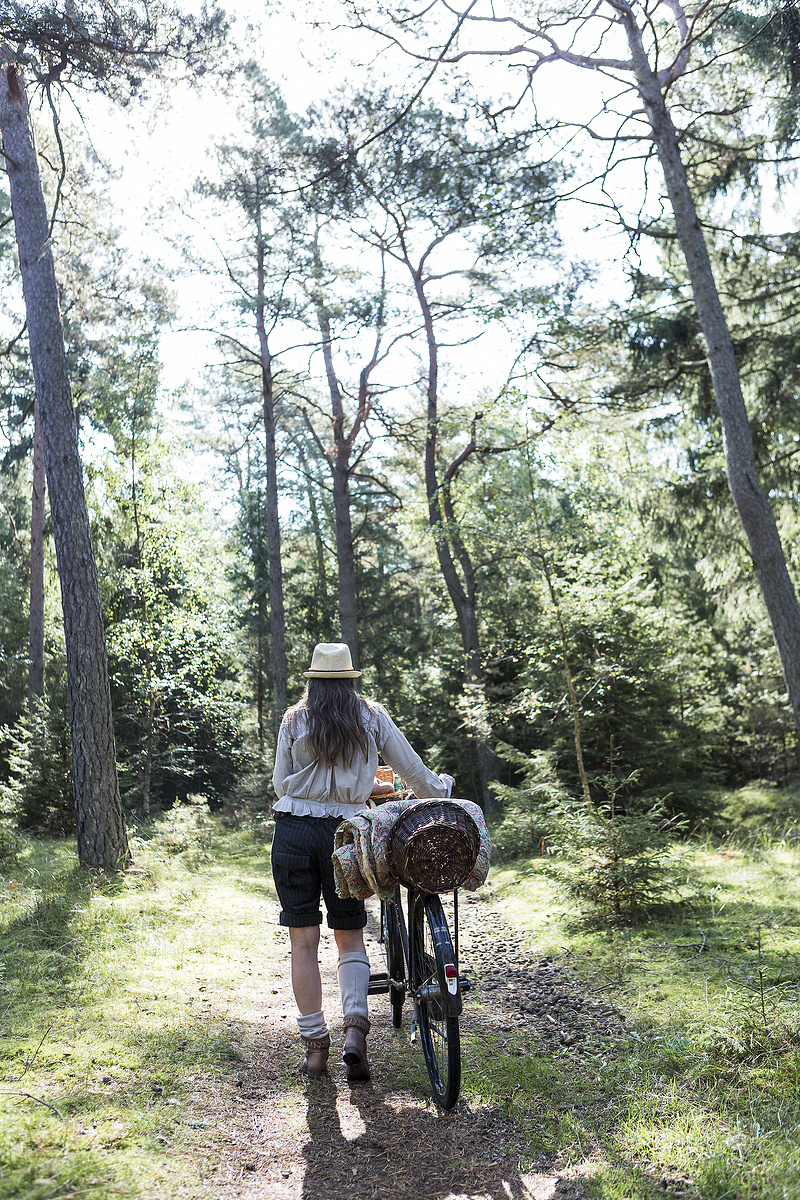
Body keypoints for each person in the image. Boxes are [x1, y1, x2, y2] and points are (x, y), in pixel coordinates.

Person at [271, 642, 454, 1082]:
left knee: (303, 943)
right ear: (351, 679)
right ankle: (355, 1033)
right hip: (345, 838)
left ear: (313, 681)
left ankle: (316, 1050)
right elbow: (411, 771)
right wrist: (440, 791)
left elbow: (280, 782)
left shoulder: (295, 718)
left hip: (293, 833)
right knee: (349, 938)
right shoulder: (370, 716)